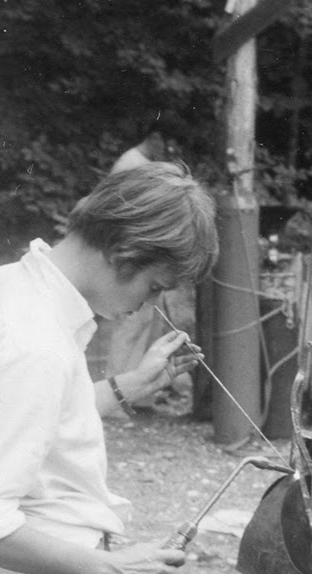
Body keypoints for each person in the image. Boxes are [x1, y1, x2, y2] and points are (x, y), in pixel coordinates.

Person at [0, 161, 218, 574]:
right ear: (126, 252)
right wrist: (115, 569)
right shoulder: (35, 343)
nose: (151, 304)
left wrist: (123, 389)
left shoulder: (6, 288)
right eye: (155, 285)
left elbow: (24, 420)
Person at [105, 111, 194, 405]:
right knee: (129, 327)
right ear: (155, 137)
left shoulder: (147, 166)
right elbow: (120, 217)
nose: (170, 154)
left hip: (146, 258)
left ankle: (140, 396)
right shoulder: (131, 166)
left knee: (148, 326)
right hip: (131, 258)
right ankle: (116, 394)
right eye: (168, 146)